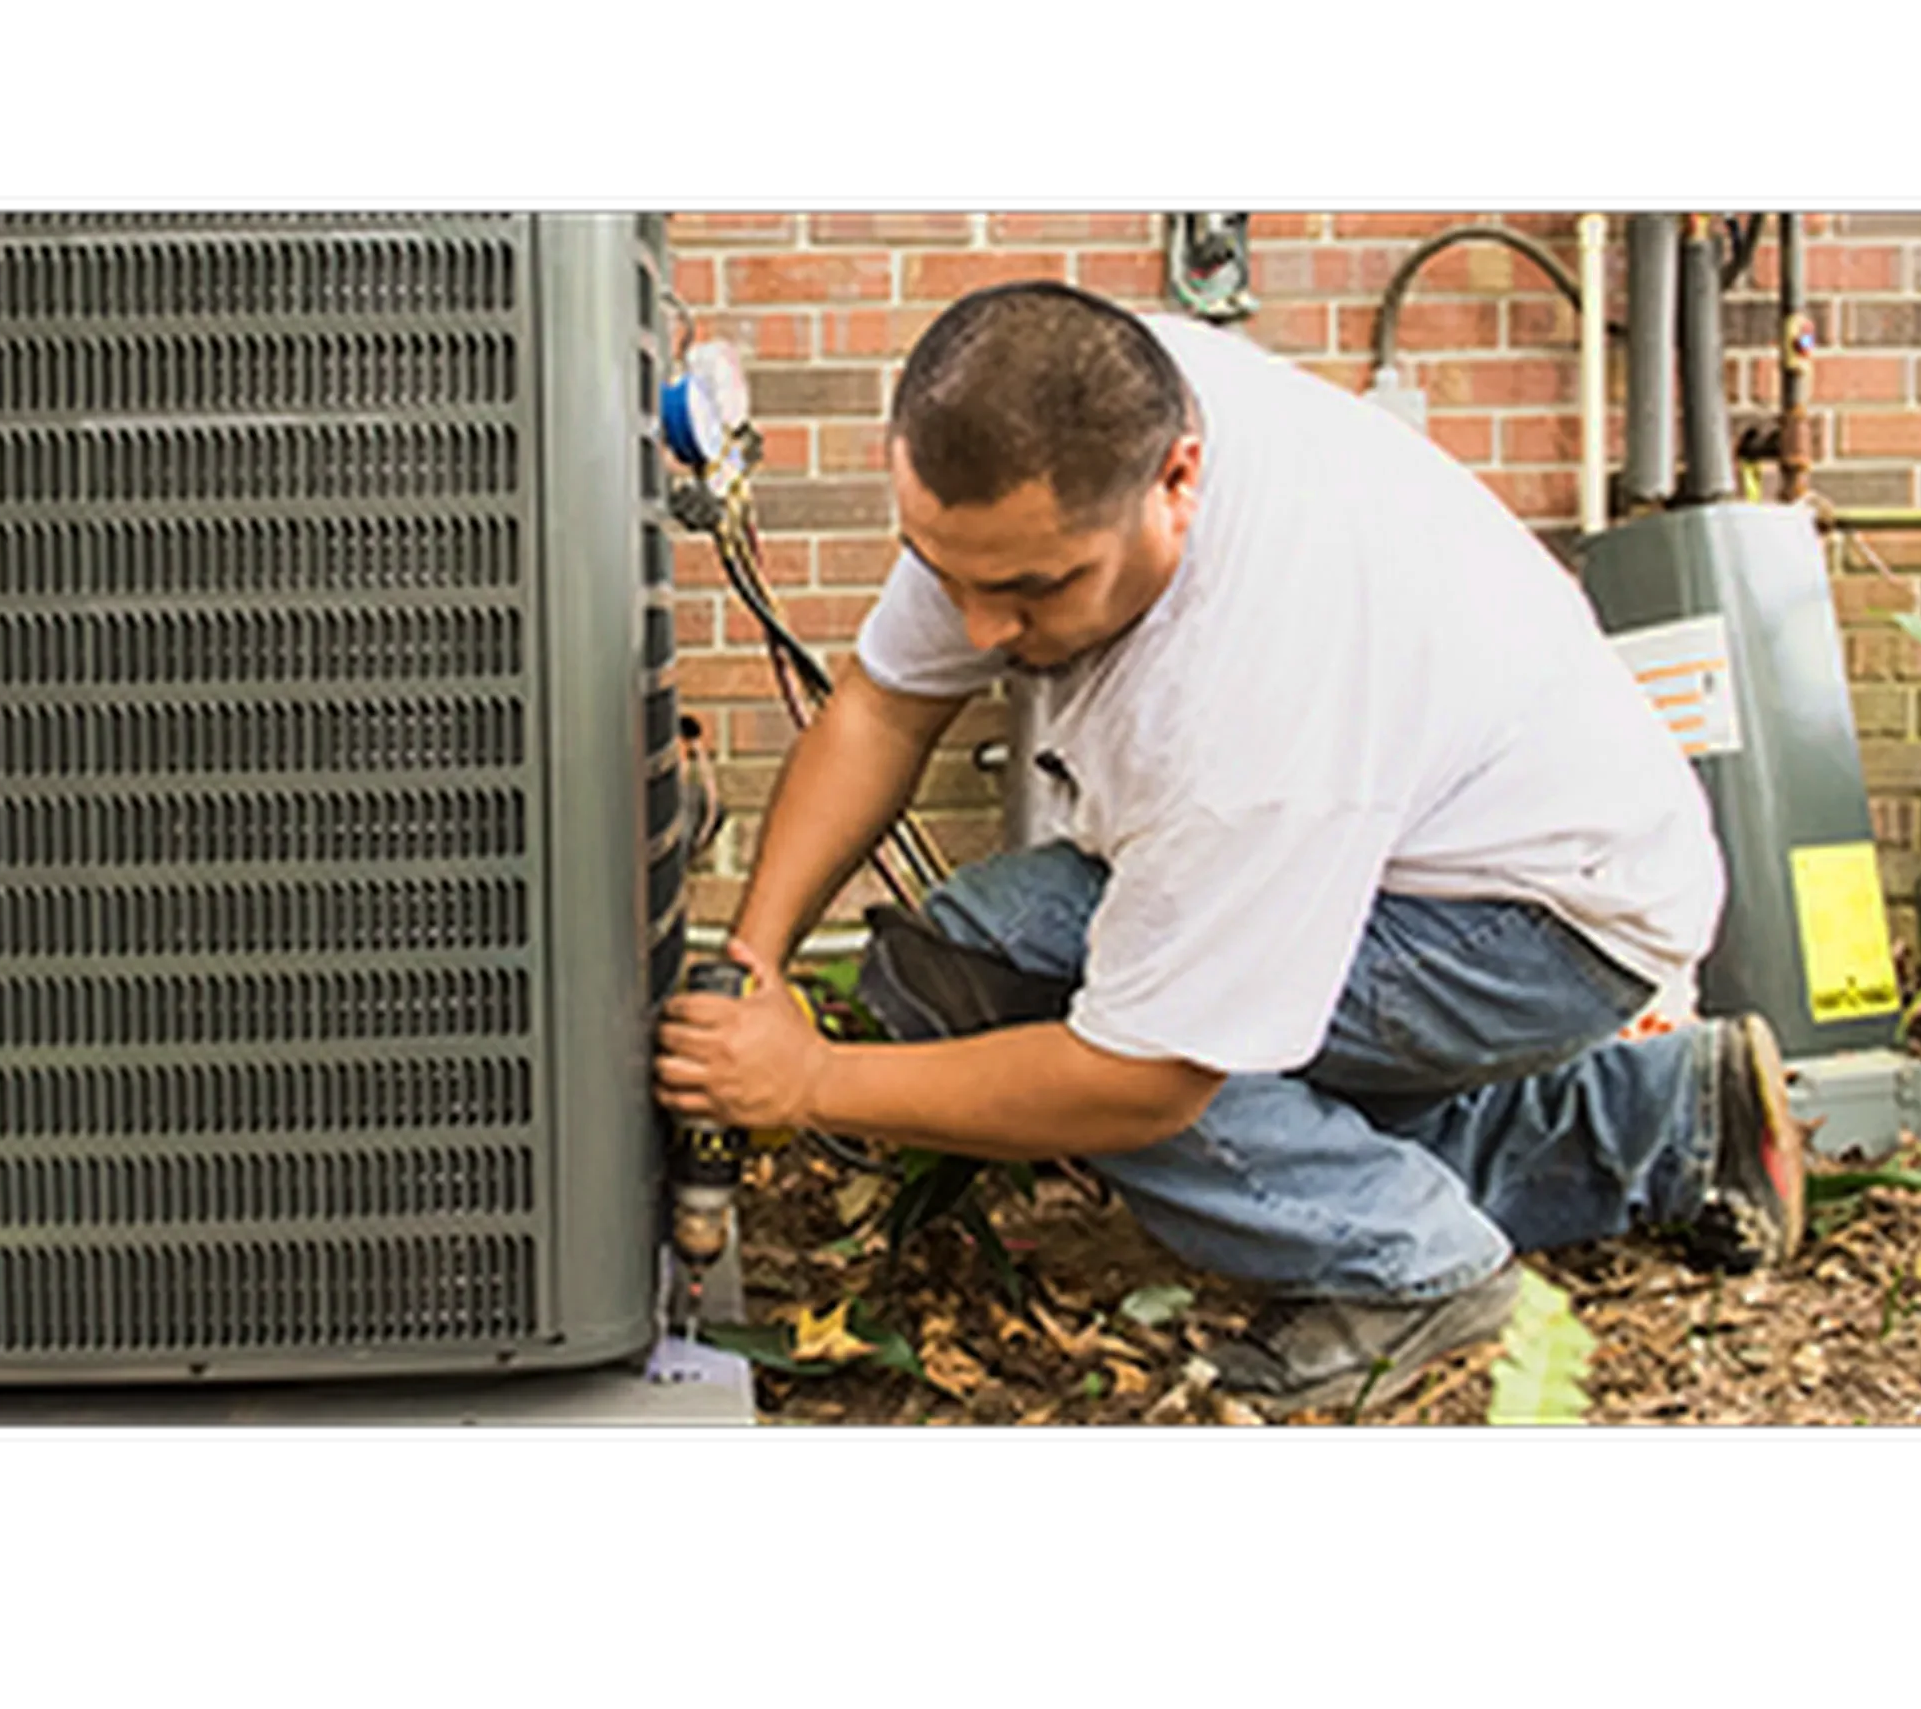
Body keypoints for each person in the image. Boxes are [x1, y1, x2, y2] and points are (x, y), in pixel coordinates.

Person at [651, 280, 1806, 1418]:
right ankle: (1668, 1119)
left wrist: (811, 1080)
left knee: (1036, 997)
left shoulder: (1247, 697)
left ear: (1178, 482)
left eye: (1031, 589)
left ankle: (1411, 1267)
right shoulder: (1075, 414)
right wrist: (753, 965)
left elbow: (1141, 1078)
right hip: (1474, 842)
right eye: (941, 570)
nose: (980, 629)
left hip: (1534, 926)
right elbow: (882, 706)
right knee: (972, 961)